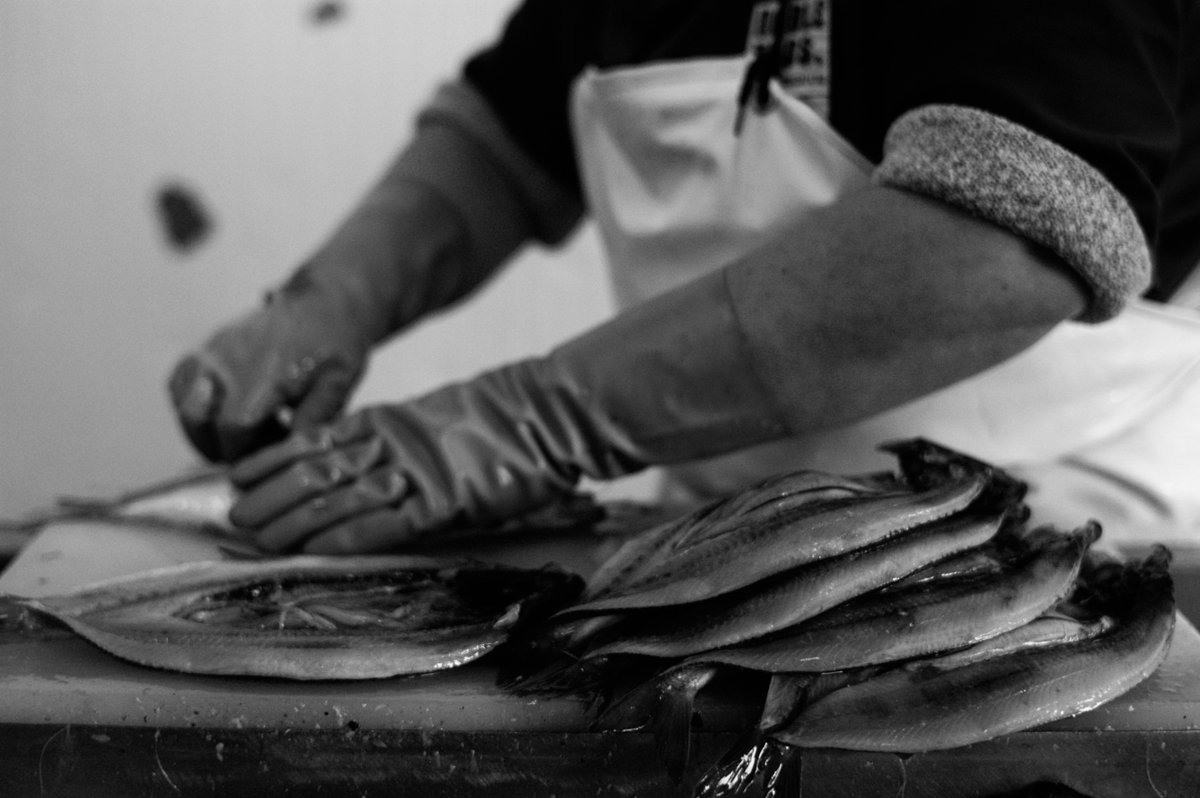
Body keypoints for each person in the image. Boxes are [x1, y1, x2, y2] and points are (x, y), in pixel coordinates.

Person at [168, 0, 1200, 555]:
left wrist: (527, 420)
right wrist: (332, 298)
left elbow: (1001, 250)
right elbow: (504, 138)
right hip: (728, 537)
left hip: (1060, 547)